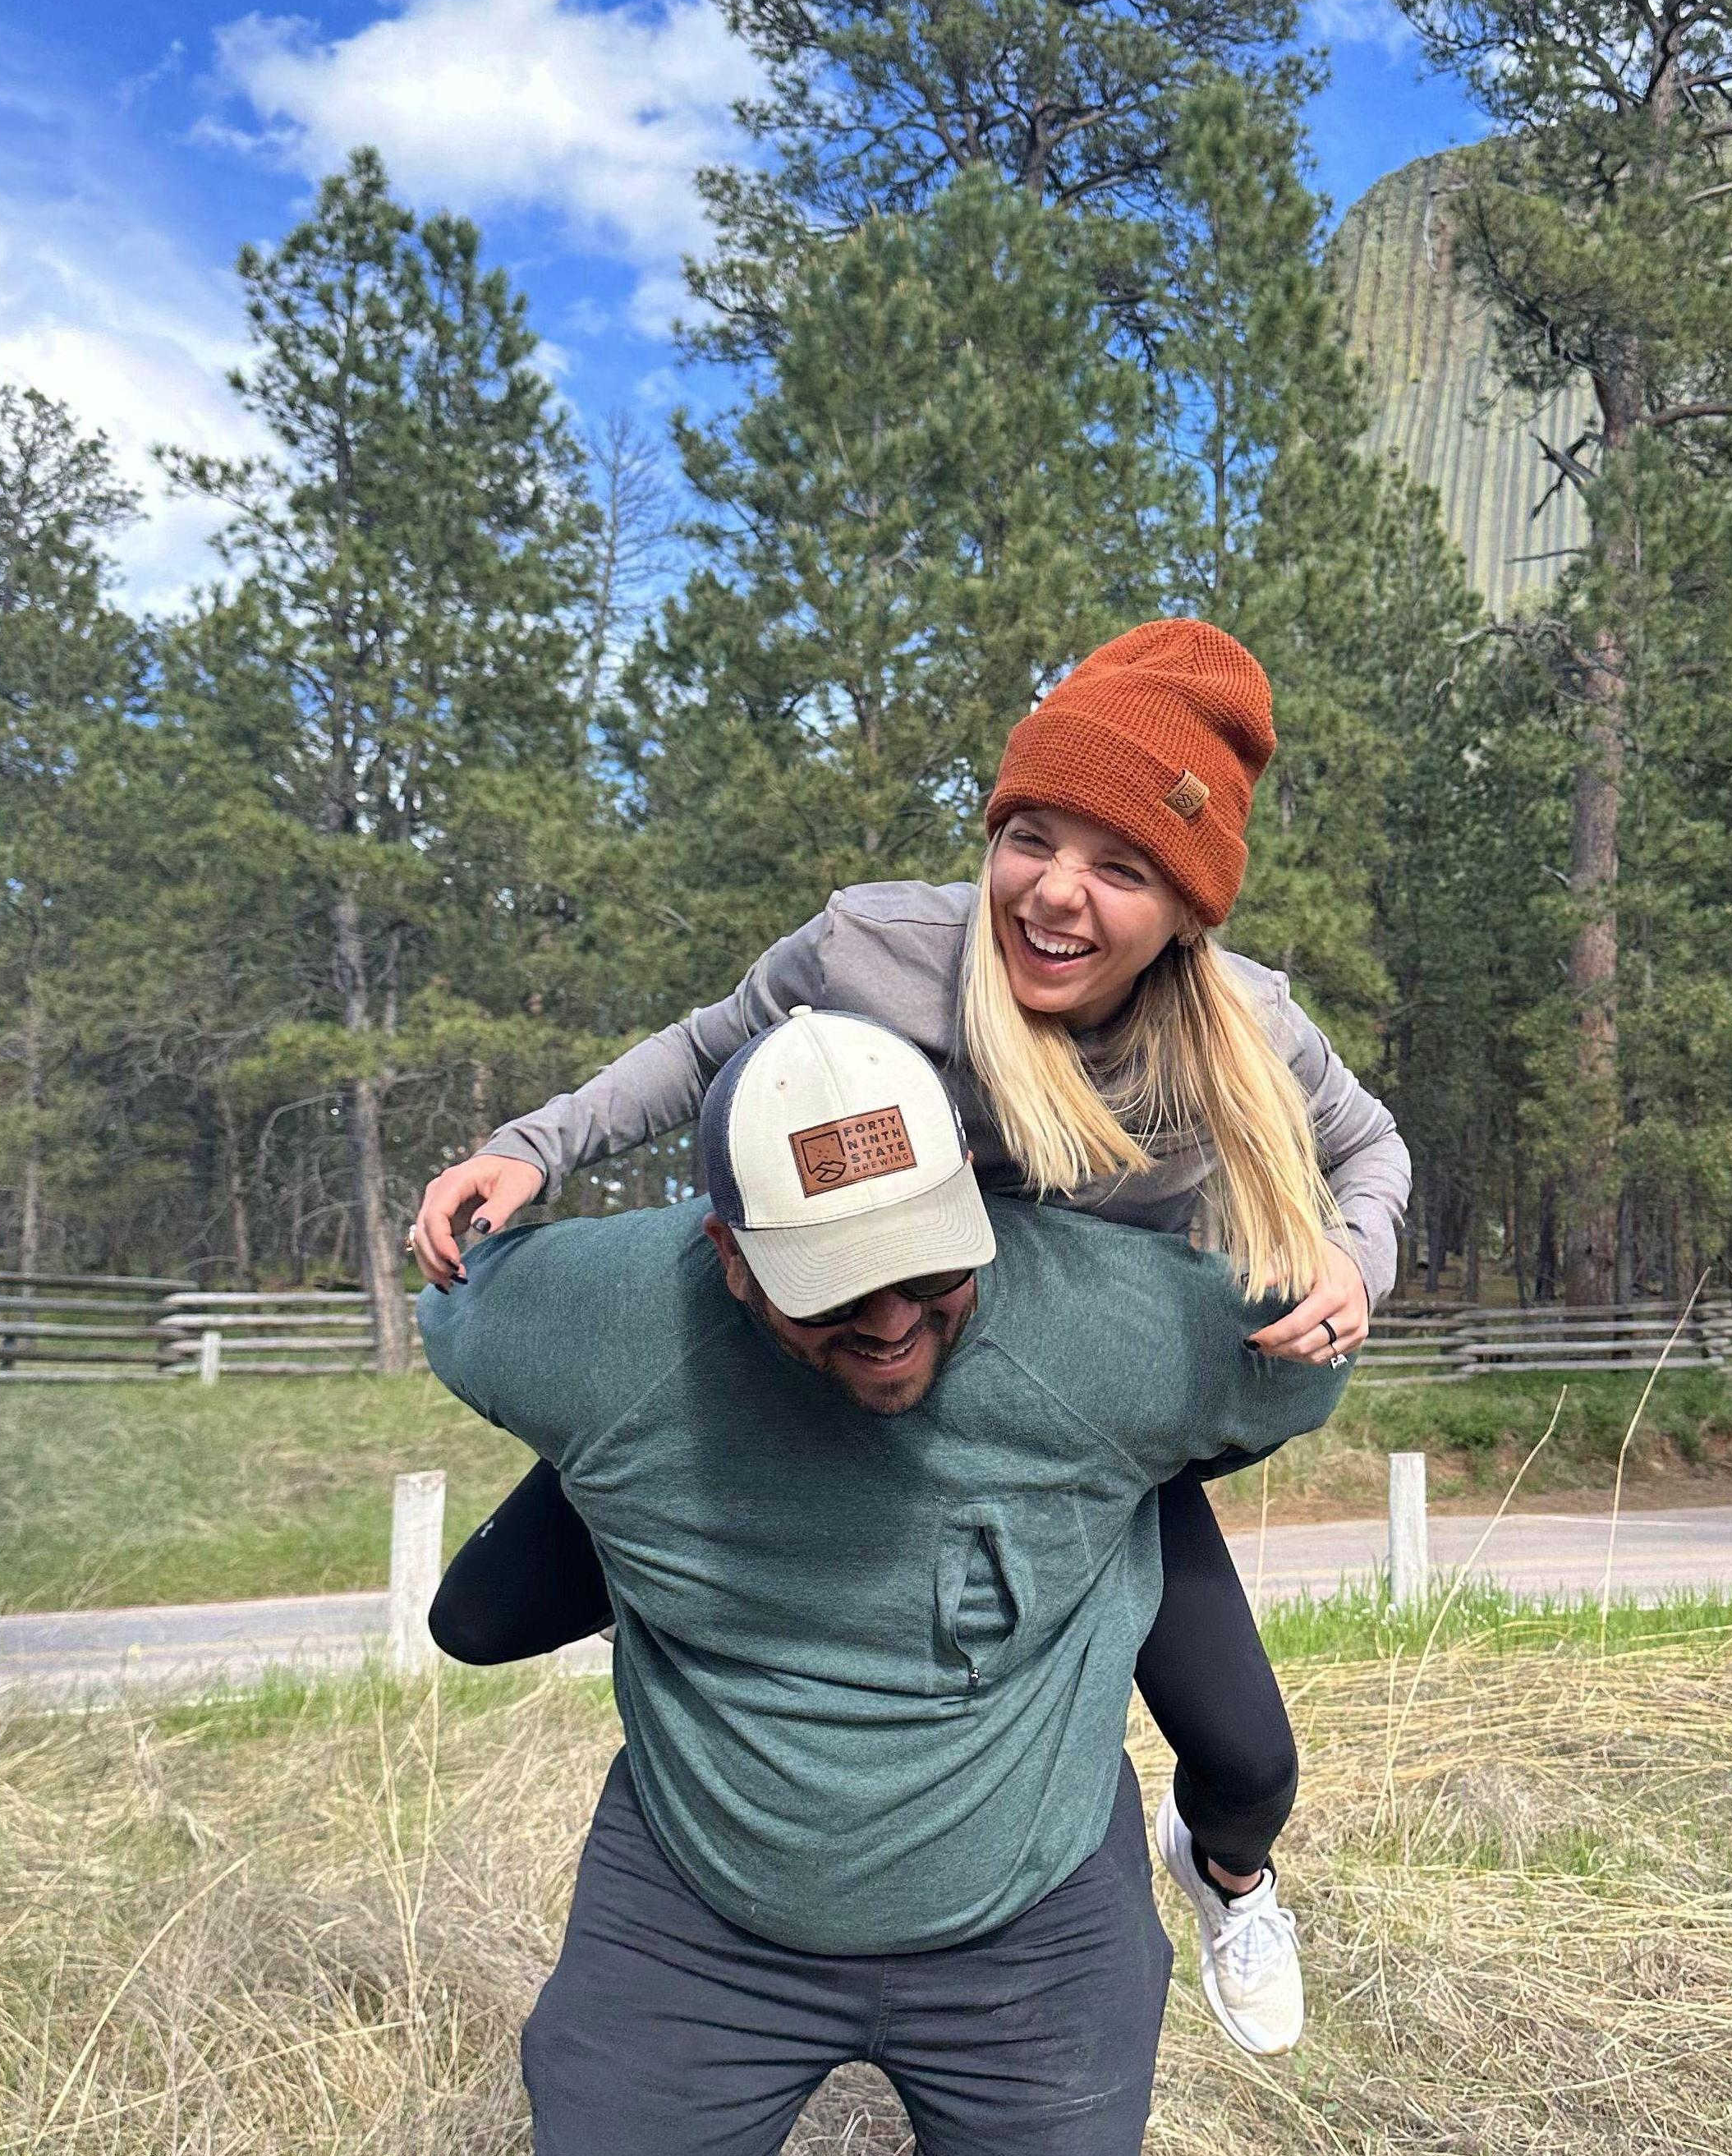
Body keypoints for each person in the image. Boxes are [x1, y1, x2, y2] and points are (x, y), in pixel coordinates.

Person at [411, 618, 1408, 2055]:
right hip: (816, 1345)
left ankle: (1230, 1882)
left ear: (1186, 908)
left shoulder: (1243, 1029)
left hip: (1071, 1422)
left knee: (1248, 1753)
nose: (1055, 897)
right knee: (481, 1618)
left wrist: (1353, 1256)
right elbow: (705, 1049)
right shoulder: (877, 952)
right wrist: (539, 1144)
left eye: (1119, 868)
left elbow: (1367, 1149)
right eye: (1031, 839)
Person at [417, 1009, 1347, 2156]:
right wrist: (623, 1456)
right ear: (729, 1253)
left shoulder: (1112, 1324)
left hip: (1034, 1919)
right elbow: (455, 1297)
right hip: (695, 1915)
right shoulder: (580, 1325)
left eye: (928, 1266)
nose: (892, 1322)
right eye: (829, 1290)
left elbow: (1309, 1354)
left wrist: (1100, 1470)